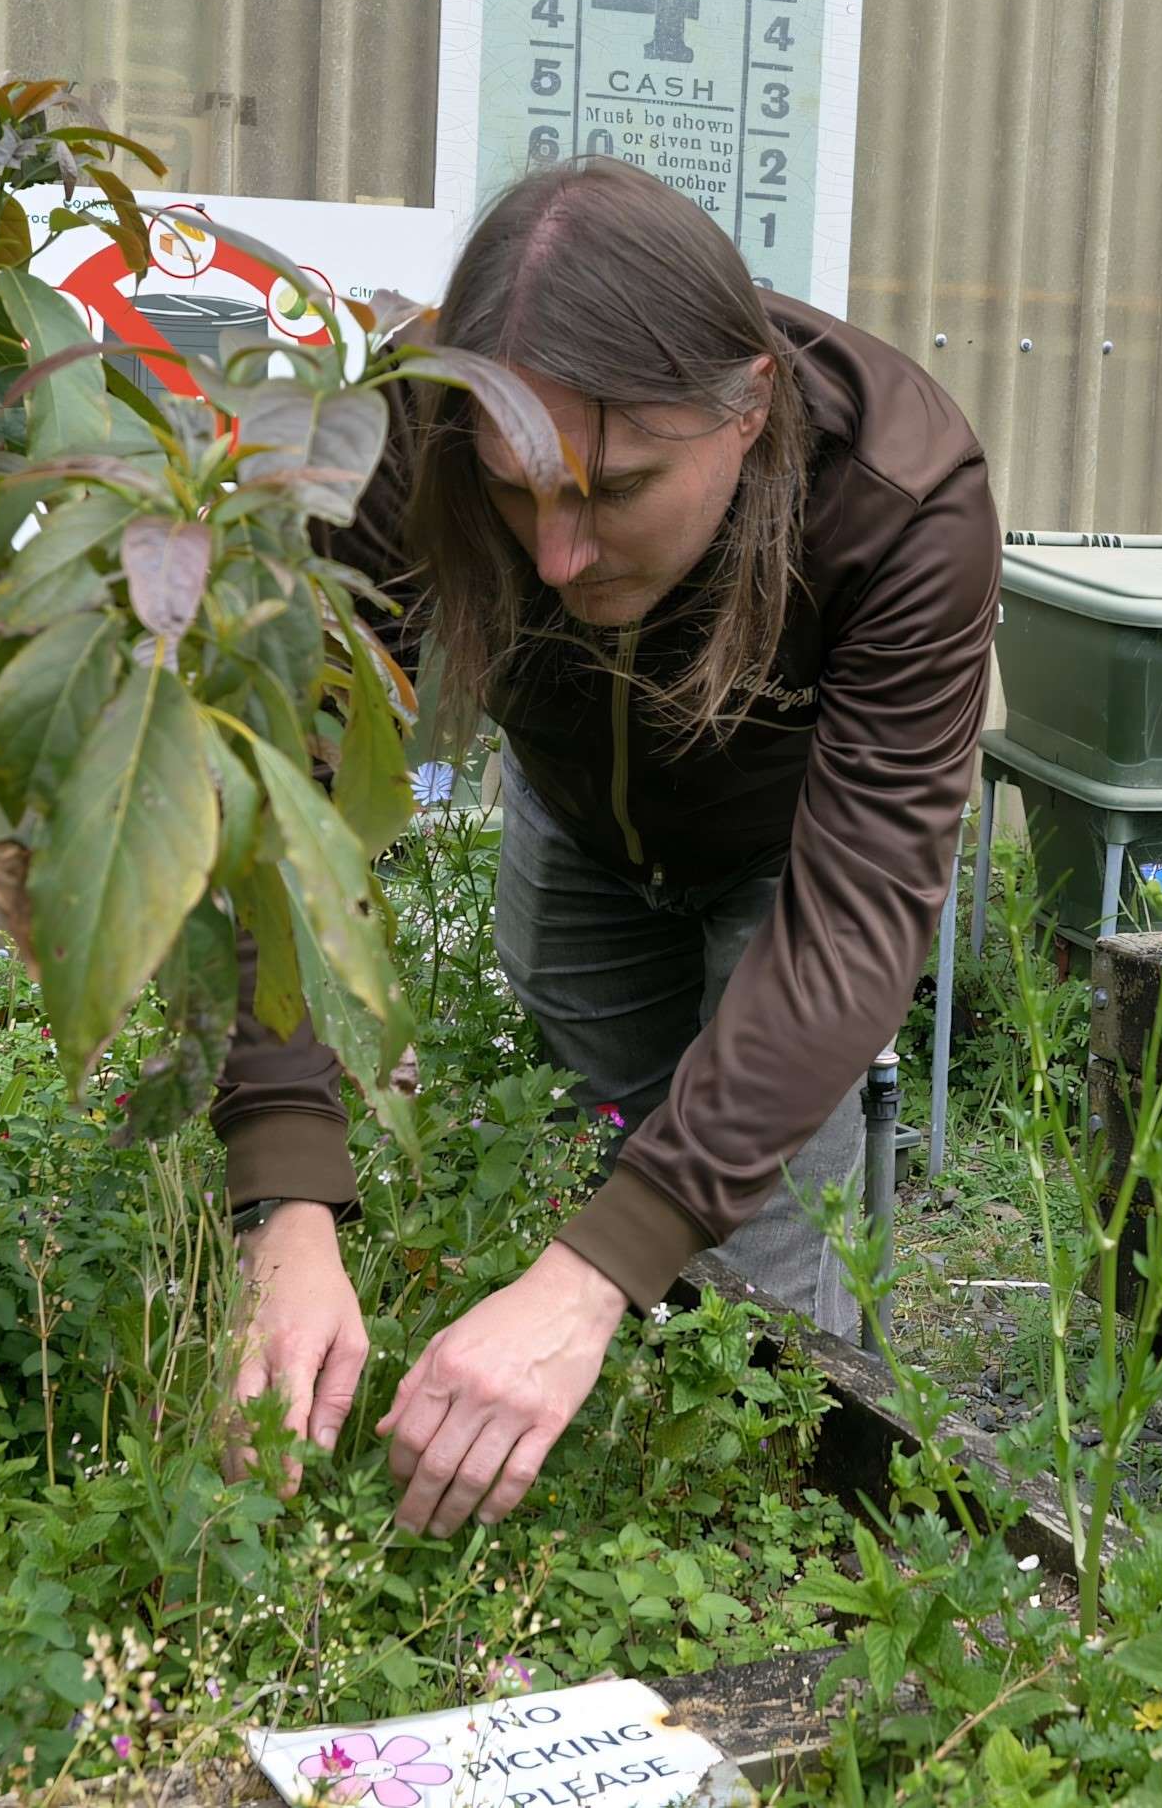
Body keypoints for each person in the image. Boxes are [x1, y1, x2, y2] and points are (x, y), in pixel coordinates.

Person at [206, 159, 999, 1538]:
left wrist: (592, 1273)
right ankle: (601, 1487)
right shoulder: (413, 433)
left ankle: (756, 1539)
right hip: (573, 822)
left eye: (615, 488)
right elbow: (286, 793)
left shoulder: (904, 496)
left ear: (747, 407)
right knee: (602, 1163)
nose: (557, 558)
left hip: (791, 872)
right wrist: (284, 1184)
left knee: (752, 1265)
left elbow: (854, 915)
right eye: (514, 498)